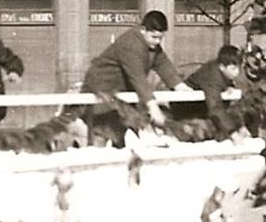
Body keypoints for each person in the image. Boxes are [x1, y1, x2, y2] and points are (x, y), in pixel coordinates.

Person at [80, 10, 195, 147]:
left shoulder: (151, 46)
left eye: (160, 38)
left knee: (125, 129)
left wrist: (180, 87)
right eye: (154, 37)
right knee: (106, 129)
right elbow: (138, 78)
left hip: (122, 90)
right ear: (143, 30)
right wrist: (153, 107)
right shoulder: (130, 44)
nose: (157, 42)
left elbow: (164, 66)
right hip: (102, 87)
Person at [172, 45, 242, 132]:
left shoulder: (221, 68)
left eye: (239, 68)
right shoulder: (212, 76)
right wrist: (232, 133)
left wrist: (229, 86)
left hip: (202, 107)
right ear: (222, 67)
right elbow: (215, 107)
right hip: (185, 110)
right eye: (233, 69)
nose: (237, 72)